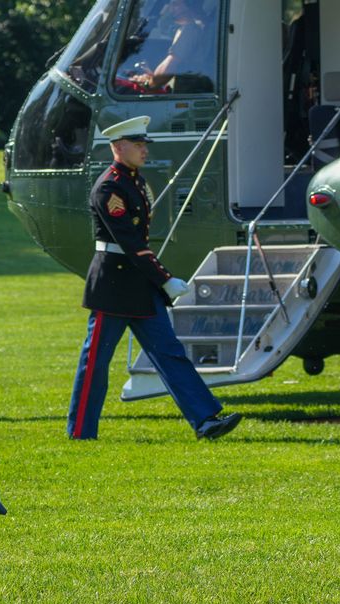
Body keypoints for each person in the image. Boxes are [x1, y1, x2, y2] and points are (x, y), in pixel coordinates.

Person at [67, 115, 241, 441]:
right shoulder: (109, 187)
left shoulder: (135, 181)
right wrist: (165, 278)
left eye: (144, 144)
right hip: (114, 285)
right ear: (119, 147)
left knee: (170, 353)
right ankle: (80, 431)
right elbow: (129, 242)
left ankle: (206, 420)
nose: (144, 150)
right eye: (138, 145)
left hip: (138, 284)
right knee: (96, 362)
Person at [130, 0, 210, 91]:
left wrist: (148, 84)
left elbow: (169, 68)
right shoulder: (190, 28)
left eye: (175, 5)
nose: (171, 8)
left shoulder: (190, 30)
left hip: (188, 89)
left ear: (189, 6)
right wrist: (151, 77)